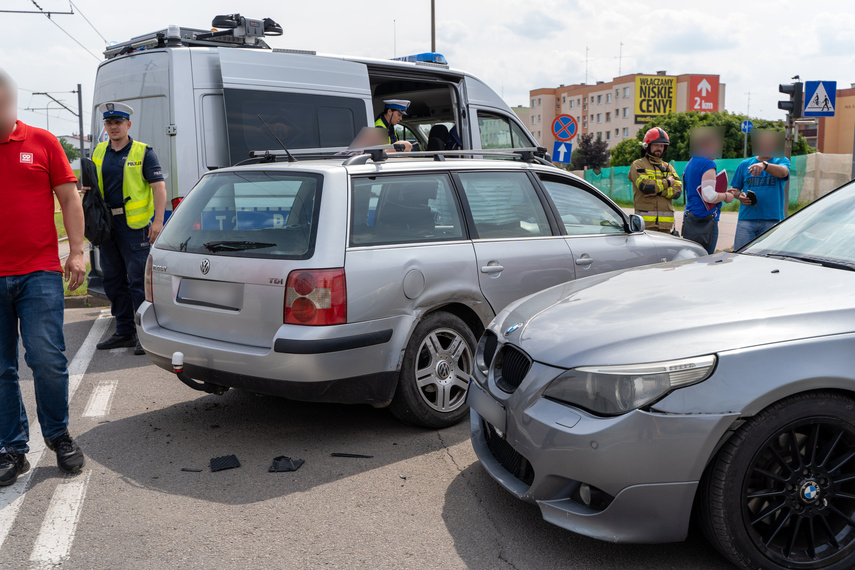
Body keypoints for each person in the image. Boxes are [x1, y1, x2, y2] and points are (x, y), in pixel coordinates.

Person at [0, 69, 86, 485]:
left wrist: (78, 251)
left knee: (47, 360)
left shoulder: (42, 142)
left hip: (38, 271)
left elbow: (69, 198)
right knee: (0, 368)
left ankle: (57, 435)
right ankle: (12, 448)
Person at [88, 102, 166, 355]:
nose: (113, 127)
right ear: (106, 126)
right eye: (109, 123)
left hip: (135, 226)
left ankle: (144, 335)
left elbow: (159, 188)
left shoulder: (143, 152)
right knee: (112, 279)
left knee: (137, 282)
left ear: (128, 125)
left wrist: (158, 221)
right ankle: (124, 331)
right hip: (106, 224)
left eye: (118, 122)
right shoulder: (99, 151)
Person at [730, 130, 790, 250]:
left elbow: (784, 172)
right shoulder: (744, 164)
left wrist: (765, 165)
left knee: (769, 257)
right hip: (746, 219)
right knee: (741, 256)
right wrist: (739, 196)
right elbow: (733, 190)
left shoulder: (781, 161)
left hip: (772, 220)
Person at [681, 127, 736, 254]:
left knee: (692, 259)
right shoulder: (708, 164)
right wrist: (726, 196)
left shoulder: (690, 163)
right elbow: (709, 196)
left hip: (690, 218)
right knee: (705, 260)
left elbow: (698, 190)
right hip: (705, 222)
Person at [628, 127, 683, 233]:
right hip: (645, 226)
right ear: (648, 146)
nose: (659, 148)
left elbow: (678, 191)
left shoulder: (668, 167)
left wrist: (659, 192)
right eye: (656, 145)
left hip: (666, 227)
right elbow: (646, 186)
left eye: (662, 145)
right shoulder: (638, 164)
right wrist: (667, 182)